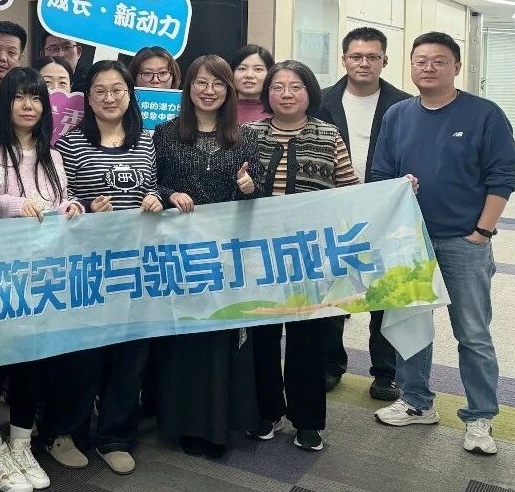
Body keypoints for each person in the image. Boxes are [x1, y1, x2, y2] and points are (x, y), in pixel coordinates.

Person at [371, 31, 515, 456]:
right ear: (410, 66)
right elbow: (381, 174)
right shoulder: (398, 114)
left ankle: (480, 416)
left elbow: (503, 176)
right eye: (421, 61)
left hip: (463, 240)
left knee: (472, 332)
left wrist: (483, 232)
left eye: (439, 61)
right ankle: (417, 402)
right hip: (410, 240)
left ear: (456, 67)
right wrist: (400, 185)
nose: (429, 68)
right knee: (411, 324)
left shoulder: (484, 114)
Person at [46, 60, 162, 476]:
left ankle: (115, 437)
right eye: (100, 91)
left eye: (118, 90)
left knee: (130, 355)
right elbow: (62, 198)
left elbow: (155, 186)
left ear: (130, 95)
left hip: (136, 264)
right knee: (84, 353)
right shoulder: (71, 144)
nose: (110, 98)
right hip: (88, 265)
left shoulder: (146, 141)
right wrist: (85, 207)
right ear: (88, 98)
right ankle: (66, 433)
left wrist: (156, 198)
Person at [0, 67, 83, 492]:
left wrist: (73, 206)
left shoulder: (52, 156)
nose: (28, 105)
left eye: (36, 97)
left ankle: (21, 444)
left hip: (40, 277)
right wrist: (16, 205)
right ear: (6, 103)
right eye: (19, 97)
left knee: (30, 361)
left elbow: (61, 199)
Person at [243, 60, 359, 453]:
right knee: (261, 336)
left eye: (295, 87)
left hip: (310, 256)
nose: (286, 94)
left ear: (309, 91)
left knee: (308, 341)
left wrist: (395, 191)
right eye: (278, 87)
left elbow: (349, 190)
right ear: (267, 94)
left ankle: (308, 421)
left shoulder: (328, 135)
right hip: (259, 256)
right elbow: (235, 191)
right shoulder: (250, 134)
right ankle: (266, 411)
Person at [151, 55, 263, 459]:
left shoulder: (245, 138)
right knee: (186, 341)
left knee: (222, 337)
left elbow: (260, 196)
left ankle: (220, 427)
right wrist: (170, 195)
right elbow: (153, 184)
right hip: (181, 255)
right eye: (201, 82)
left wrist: (250, 187)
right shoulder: (165, 134)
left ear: (228, 91)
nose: (209, 90)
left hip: (228, 256)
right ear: (189, 88)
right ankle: (185, 425)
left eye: (217, 83)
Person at [314, 27, 412, 400]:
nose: (364, 63)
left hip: (385, 212)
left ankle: (386, 373)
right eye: (356, 56)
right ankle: (330, 364)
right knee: (333, 292)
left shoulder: (405, 105)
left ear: (384, 60)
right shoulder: (320, 101)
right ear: (344, 60)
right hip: (333, 212)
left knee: (384, 295)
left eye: (372, 57)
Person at [231, 45, 274, 125]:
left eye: (258, 69)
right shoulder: (219, 110)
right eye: (242, 68)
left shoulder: (278, 111)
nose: (249, 75)